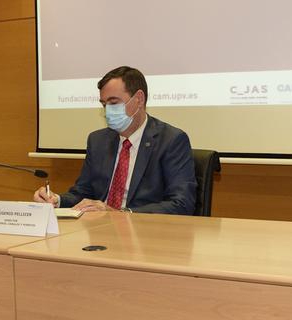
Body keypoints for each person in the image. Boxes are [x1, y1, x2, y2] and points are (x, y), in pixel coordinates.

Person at [34, 66, 197, 214]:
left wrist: (121, 214)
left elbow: (182, 203)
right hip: (97, 231)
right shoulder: (97, 140)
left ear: (139, 99)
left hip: (144, 234)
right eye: (104, 104)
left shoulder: (171, 140)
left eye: (113, 103)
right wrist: (57, 200)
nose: (107, 111)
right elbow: (82, 193)